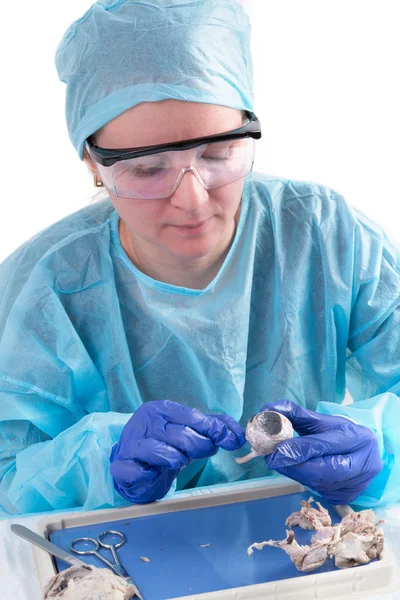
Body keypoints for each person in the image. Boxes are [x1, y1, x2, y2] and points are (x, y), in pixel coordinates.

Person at [0, 0, 398, 518]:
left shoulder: (326, 234)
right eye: (146, 169)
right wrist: (100, 461)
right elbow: (8, 476)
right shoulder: (45, 288)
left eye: (217, 154)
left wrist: (379, 449)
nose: (192, 199)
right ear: (93, 164)